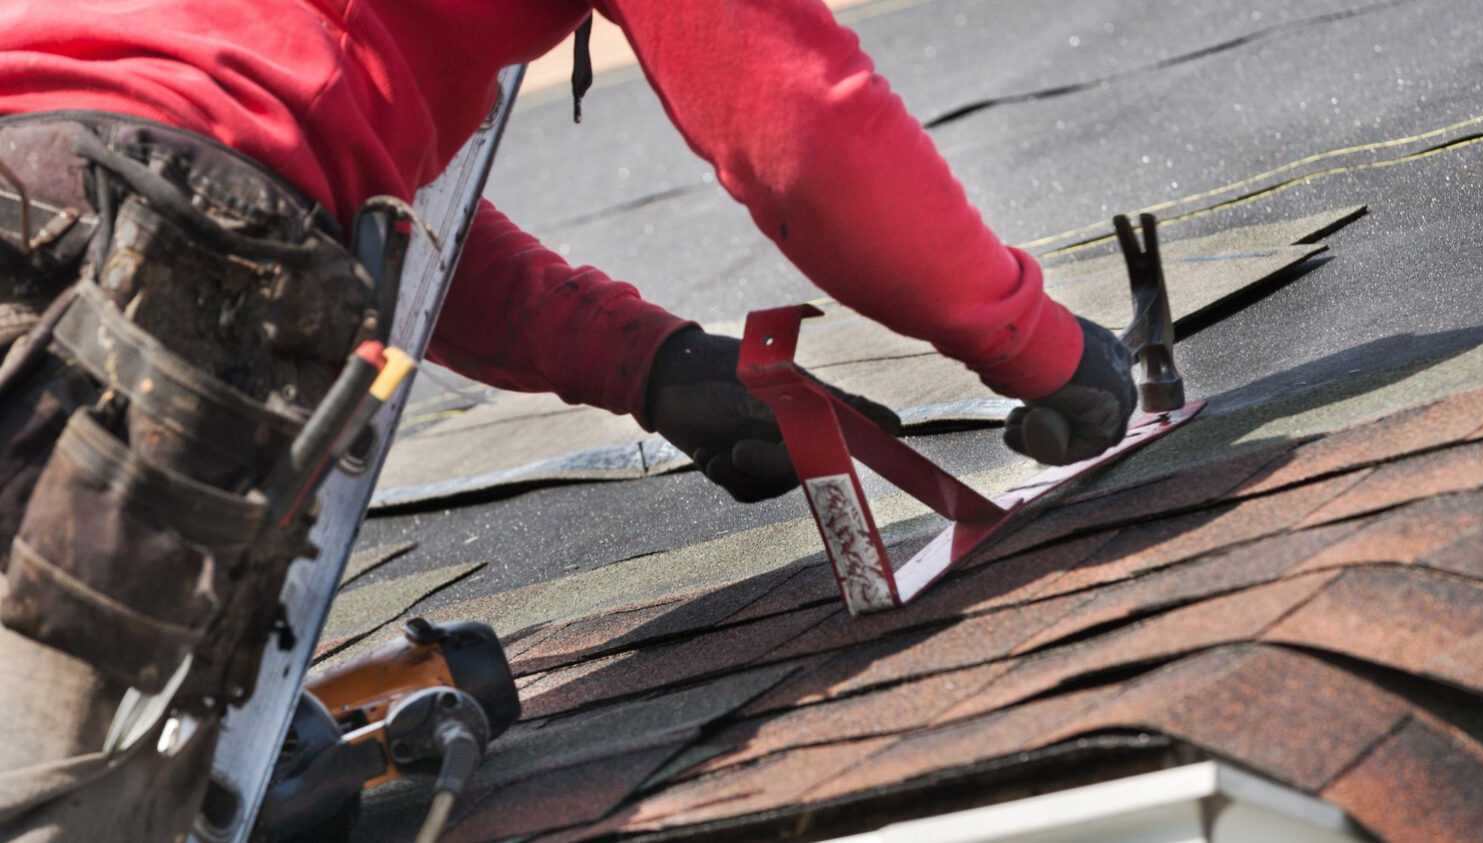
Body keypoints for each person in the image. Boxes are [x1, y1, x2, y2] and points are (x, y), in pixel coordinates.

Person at [0, 0, 1136, 838]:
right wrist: (1036, 346)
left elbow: (369, 193)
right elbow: (799, 135)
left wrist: (640, 360)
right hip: (138, 253)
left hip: (73, 201)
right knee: (66, 801)